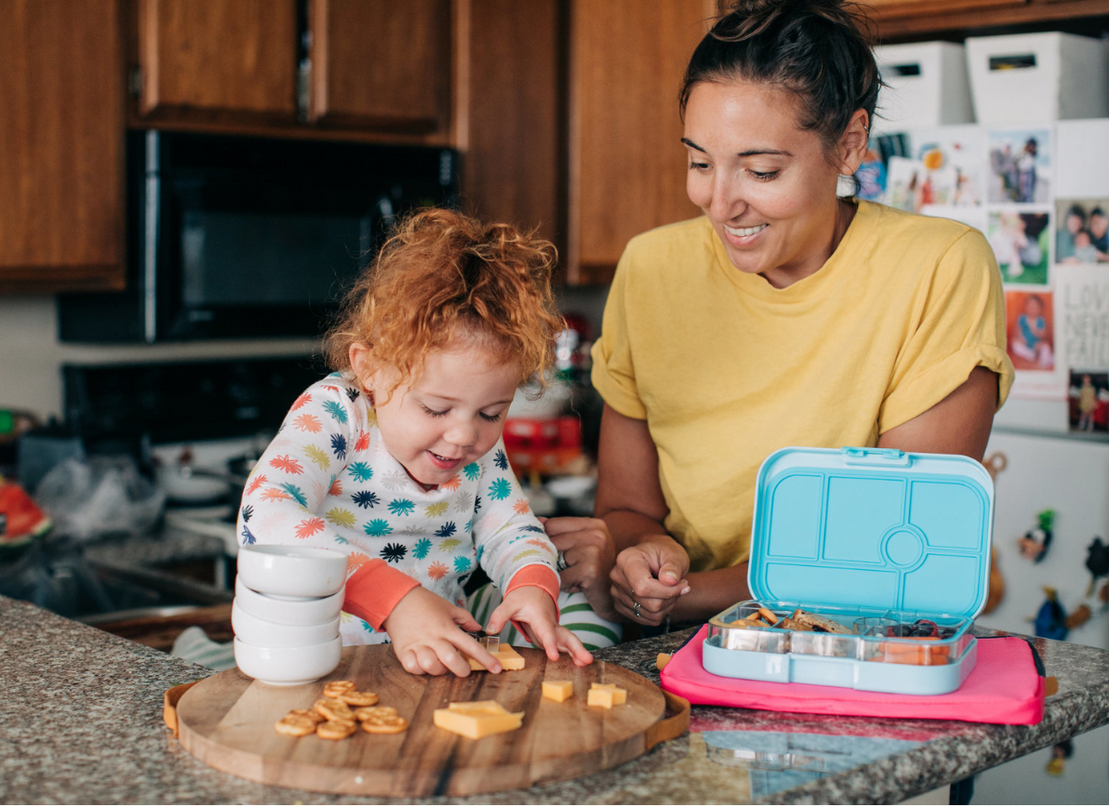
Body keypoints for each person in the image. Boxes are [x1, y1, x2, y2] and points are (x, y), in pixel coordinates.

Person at [569, 0, 1014, 628]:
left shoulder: (938, 267)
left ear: (849, 144)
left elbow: (893, 551)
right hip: (681, 647)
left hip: (854, 649)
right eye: (700, 162)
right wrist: (648, 554)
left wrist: (688, 593)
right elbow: (626, 507)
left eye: (761, 170)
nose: (720, 203)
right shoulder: (650, 269)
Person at [237, 208, 609, 677]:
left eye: (491, 413)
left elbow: (510, 529)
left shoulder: (473, 442)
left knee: (587, 605)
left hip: (432, 657)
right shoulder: (338, 412)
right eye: (435, 408)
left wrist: (531, 587)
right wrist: (396, 601)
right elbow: (265, 512)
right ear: (370, 369)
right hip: (322, 660)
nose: (463, 436)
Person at [1011, 293, 1053, 369]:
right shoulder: (1022, 318)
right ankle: (1030, 355)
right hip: (1025, 343)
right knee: (1014, 344)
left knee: (1045, 347)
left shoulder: (1040, 320)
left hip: (1036, 344)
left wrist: (1037, 331)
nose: (1032, 309)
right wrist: (1020, 338)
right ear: (1026, 307)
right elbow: (1017, 330)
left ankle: (1044, 361)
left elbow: (1043, 334)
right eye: (1030, 307)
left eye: (1035, 307)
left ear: (1040, 309)